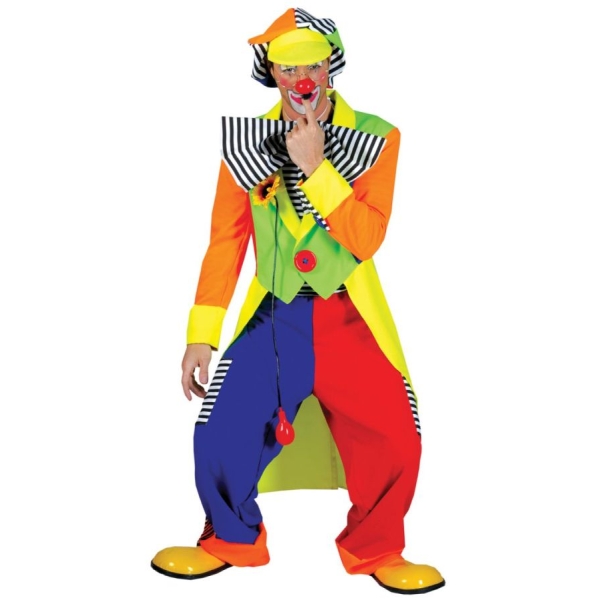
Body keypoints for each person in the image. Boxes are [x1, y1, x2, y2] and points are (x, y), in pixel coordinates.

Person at [151, 7, 445, 594]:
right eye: (288, 68)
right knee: (220, 427)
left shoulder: (378, 138)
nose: (302, 79)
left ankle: (377, 547)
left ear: (331, 67)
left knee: (396, 434)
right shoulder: (245, 145)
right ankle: (230, 538)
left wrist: (316, 167)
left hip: (348, 313)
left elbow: (366, 238)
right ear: (271, 74)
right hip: (275, 316)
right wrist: (202, 333)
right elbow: (226, 240)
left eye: (312, 65)